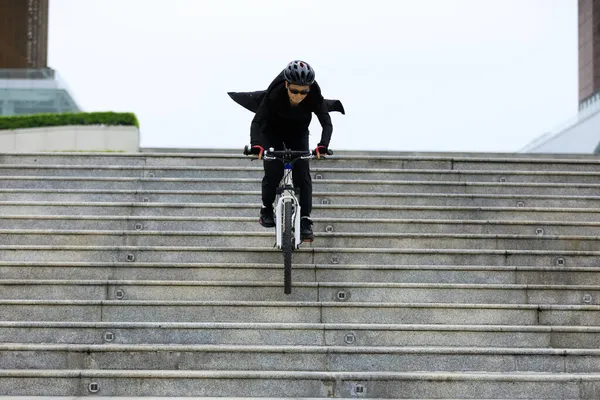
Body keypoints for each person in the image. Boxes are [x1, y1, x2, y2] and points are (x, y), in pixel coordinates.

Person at [248, 60, 333, 242]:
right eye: (294, 90)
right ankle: (266, 208)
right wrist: (256, 145)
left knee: (303, 173)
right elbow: (256, 122)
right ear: (286, 85)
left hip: (298, 132)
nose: (299, 96)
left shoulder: (314, 94)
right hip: (272, 130)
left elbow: (326, 122)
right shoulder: (274, 93)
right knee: (273, 171)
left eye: (303, 92)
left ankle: (305, 220)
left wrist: (323, 145)